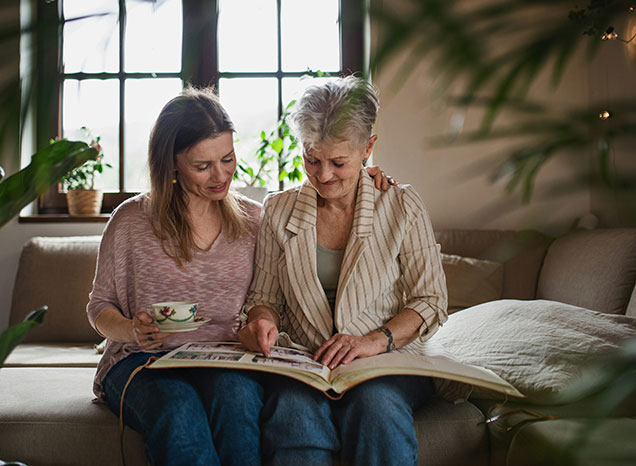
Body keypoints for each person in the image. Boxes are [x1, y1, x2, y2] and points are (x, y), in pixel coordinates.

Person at [86, 86, 396, 466]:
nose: (221, 176)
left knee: (237, 399)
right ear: (171, 163)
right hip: (142, 362)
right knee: (178, 408)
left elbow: (324, 200)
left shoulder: (255, 221)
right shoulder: (131, 222)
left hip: (226, 360)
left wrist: (367, 175)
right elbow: (99, 308)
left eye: (227, 159)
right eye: (202, 166)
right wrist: (132, 329)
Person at [238, 76, 448, 466]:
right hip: (306, 362)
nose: (323, 176)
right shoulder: (279, 211)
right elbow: (263, 299)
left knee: (377, 406)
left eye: (339, 162)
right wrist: (262, 321)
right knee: (294, 412)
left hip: (388, 359)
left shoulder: (402, 205)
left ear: (368, 148)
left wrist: (371, 341)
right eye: (311, 160)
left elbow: (430, 301)